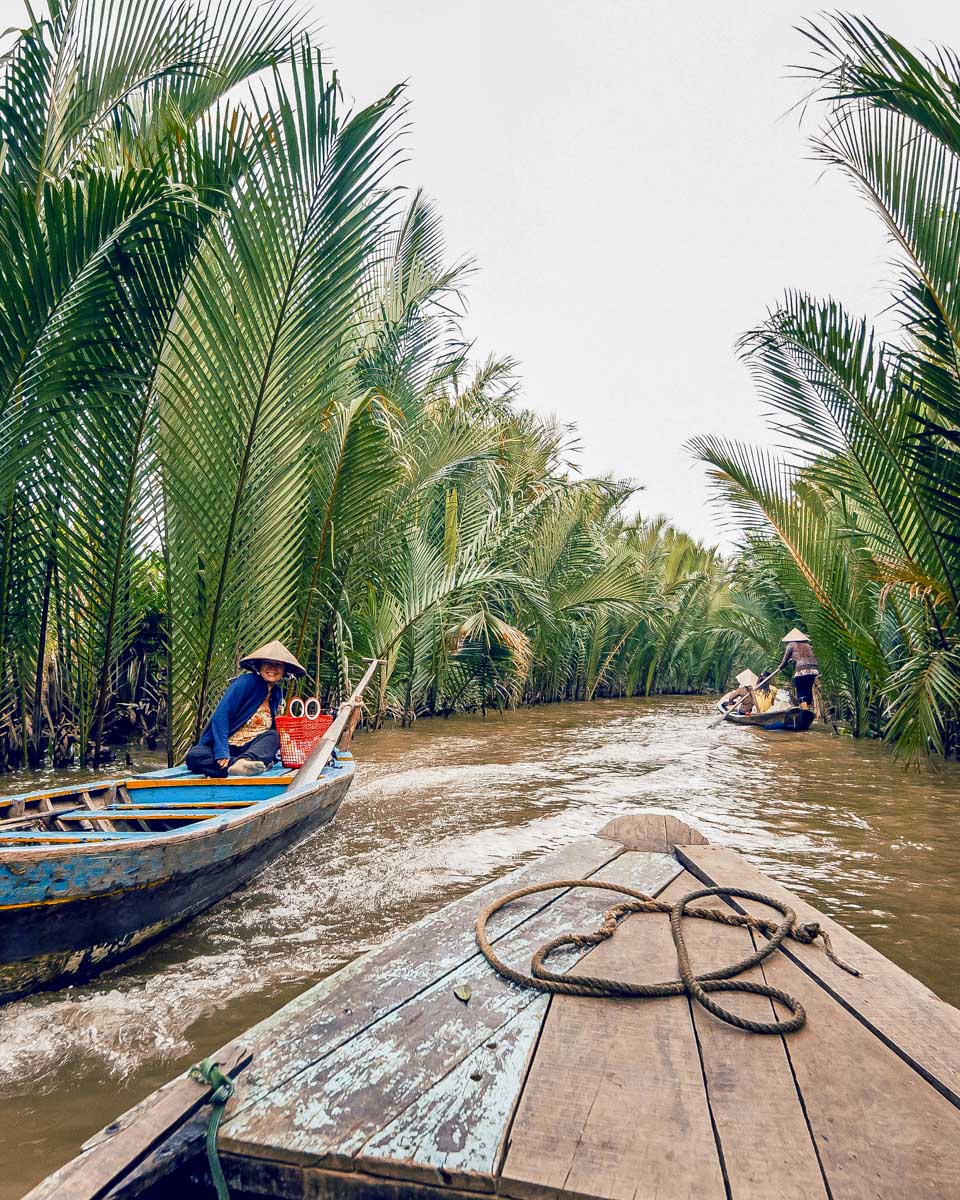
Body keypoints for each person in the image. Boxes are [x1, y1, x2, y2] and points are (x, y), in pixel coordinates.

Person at [184, 640, 306, 777]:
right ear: (260, 666)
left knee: (274, 736)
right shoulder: (246, 682)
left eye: (278, 665)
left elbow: (273, 729)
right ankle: (237, 765)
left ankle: (242, 763)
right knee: (194, 756)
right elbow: (221, 715)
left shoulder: (277, 694)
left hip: (251, 749)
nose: (272, 668)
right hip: (228, 746)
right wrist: (222, 750)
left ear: (284, 671)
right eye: (267, 663)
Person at [773, 628, 819, 710]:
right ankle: (808, 707)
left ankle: (805, 709)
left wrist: (781, 666)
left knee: (800, 688)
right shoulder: (808, 646)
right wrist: (793, 660)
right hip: (813, 670)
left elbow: (785, 658)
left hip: (801, 670)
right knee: (808, 689)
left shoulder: (791, 644)